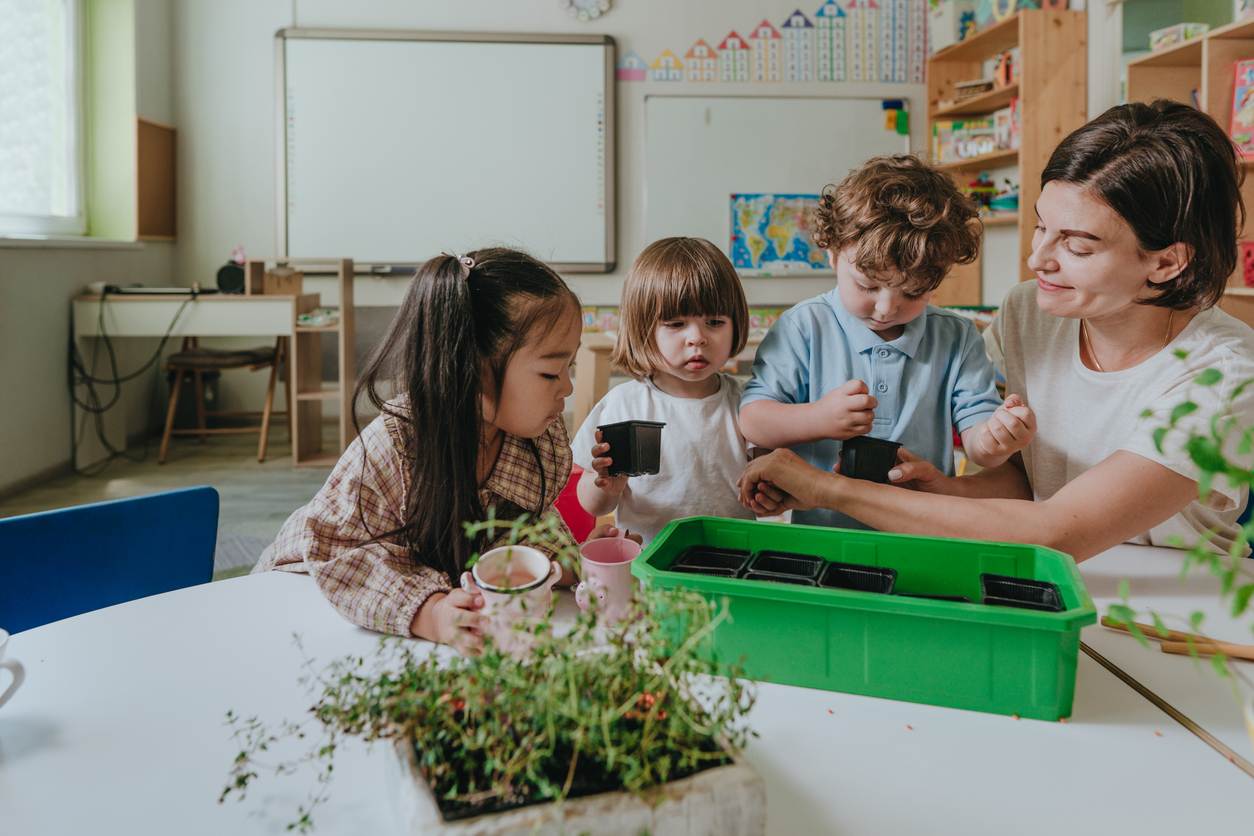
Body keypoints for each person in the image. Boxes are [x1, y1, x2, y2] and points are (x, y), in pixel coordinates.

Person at [740, 100, 1254, 560]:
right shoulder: (1031, 311)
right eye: (1040, 226)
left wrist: (825, 489)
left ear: (1166, 262)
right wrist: (939, 491)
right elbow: (1024, 481)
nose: (1037, 259)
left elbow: (1058, 530)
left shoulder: (1225, 374)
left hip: (1177, 604)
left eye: (1076, 246)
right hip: (1040, 574)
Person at [254, 249, 623, 653]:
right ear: (472, 368)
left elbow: (523, 523)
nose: (567, 388)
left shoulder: (534, 436)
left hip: (435, 594)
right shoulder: (394, 443)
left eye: (569, 366)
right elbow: (338, 555)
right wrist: (429, 614)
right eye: (552, 371)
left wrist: (569, 563)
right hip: (303, 594)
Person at [739, 155, 1037, 529]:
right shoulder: (802, 327)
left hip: (922, 531)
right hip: (823, 534)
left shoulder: (957, 337)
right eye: (867, 285)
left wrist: (995, 439)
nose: (886, 307)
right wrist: (818, 418)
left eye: (914, 293)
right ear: (831, 253)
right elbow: (752, 420)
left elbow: (978, 437)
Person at [572, 237, 758, 544]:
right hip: (649, 566)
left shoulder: (749, 403)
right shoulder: (622, 404)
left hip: (733, 560)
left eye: (714, 321)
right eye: (675, 324)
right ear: (643, 329)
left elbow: (767, 494)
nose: (697, 338)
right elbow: (591, 502)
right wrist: (608, 487)